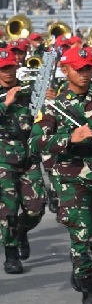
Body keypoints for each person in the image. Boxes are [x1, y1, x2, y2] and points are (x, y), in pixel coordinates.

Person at [30, 47, 92, 304]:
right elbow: (36, 141)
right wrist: (70, 138)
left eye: (88, 68)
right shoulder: (53, 105)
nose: (84, 73)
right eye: (78, 68)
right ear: (65, 70)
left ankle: (81, 263)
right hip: (70, 177)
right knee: (83, 232)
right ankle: (90, 286)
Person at [0, 49, 46, 274]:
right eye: (3, 69)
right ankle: (10, 254)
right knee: (7, 210)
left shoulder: (29, 91)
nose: (7, 72)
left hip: (28, 155)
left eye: (10, 67)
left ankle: (20, 231)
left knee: (36, 208)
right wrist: (5, 103)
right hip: (2, 158)